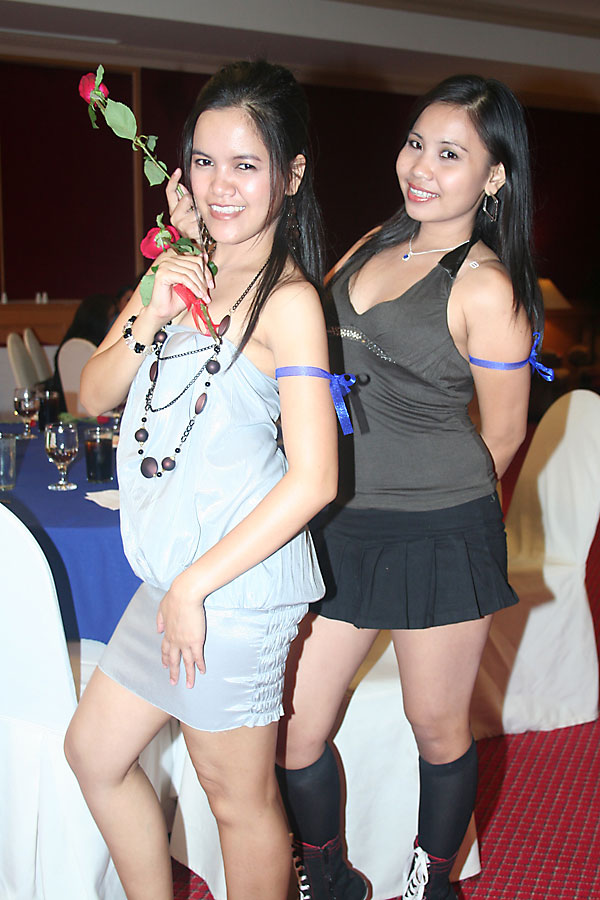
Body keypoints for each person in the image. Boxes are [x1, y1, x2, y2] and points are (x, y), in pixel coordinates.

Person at [64, 59, 339, 900]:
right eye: (205, 162)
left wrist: (193, 588)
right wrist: (151, 308)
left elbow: (315, 479)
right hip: (173, 579)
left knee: (237, 801)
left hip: (233, 590)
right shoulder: (180, 266)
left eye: (246, 164)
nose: (220, 186)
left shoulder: (290, 304)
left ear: (291, 176)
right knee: (94, 754)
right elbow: (90, 395)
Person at [274, 75, 545, 900]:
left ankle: (434, 881)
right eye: (417, 143)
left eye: (450, 154)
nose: (421, 166)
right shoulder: (377, 240)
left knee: (434, 725)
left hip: (437, 529)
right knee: (295, 730)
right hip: (341, 520)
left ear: (495, 176)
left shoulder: (487, 286)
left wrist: (441, 518)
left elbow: (504, 433)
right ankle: (329, 874)